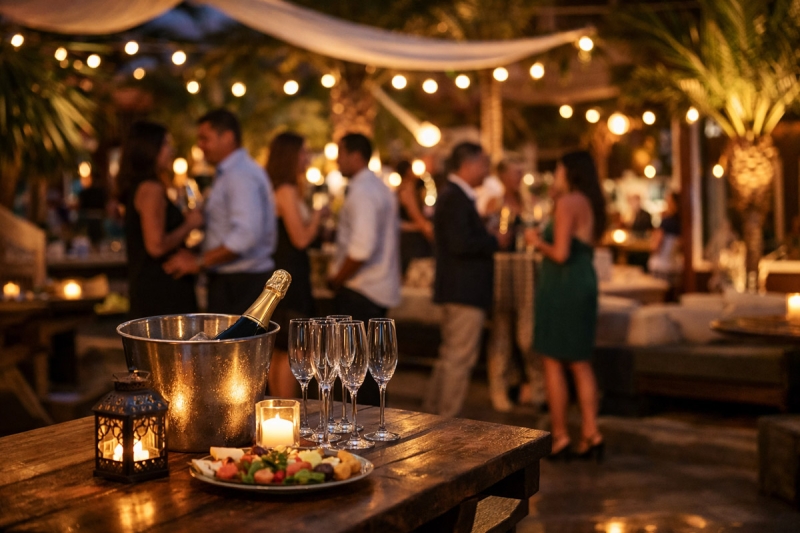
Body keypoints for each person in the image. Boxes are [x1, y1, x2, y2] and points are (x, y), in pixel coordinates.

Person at [525, 150, 606, 461]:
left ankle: (559, 436)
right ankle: (591, 433)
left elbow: (560, 253)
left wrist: (536, 241)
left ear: (570, 172)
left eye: (558, 170)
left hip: (562, 284)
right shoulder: (588, 202)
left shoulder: (568, 202)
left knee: (553, 360)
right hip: (582, 280)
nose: (555, 176)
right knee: (581, 361)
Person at [423, 142, 510, 418]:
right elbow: (460, 243)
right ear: (469, 164)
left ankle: (432, 414)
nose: (487, 170)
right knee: (458, 359)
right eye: (484, 164)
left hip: (458, 289)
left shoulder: (455, 196)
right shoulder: (455, 197)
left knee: (450, 355)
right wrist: (493, 241)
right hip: (463, 290)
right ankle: (444, 419)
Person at [164, 109, 277, 315]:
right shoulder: (230, 172)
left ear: (228, 137)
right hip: (236, 280)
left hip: (241, 284)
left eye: (205, 139)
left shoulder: (240, 174)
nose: (200, 146)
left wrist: (198, 262)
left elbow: (245, 235)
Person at [329, 132, 401, 405]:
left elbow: (361, 248)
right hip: (377, 287)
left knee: (355, 373)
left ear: (355, 156)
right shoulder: (378, 187)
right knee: (371, 370)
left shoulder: (362, 192)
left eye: (340, 154)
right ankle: (370, 422)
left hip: (361, 289)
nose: (337, 160)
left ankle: (360, 425)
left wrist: (337, 279)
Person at [119, 121, 204, 319]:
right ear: (149, 148)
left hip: (156, 287)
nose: (171, 150)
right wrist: (190, 224)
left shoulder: (142, 186)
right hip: (161, 291)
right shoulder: (151, 189)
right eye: (166, 144)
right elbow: (156, 246)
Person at [267, 132, 327, 397]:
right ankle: (288, 405)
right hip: (291, 273)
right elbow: (300, 239)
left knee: (282, 349)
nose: (307, 158)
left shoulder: (283, 188)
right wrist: (318, 216)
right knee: (295, 348)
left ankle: (280, 406)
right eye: (304, 152)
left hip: (285, 271)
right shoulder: (285, 190)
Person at [396, 160, 434, 275]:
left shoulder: (402, 188)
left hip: (409, 237)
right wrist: (428, 231)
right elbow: (415, 215)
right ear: (408, 171)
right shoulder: (407, 189)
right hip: (412, 240)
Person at [648, 191, 683, 288]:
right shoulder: (681, 222)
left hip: (661, 266)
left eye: (668, 201)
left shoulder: (666, 222)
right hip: (675, 266)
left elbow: (655, 246)